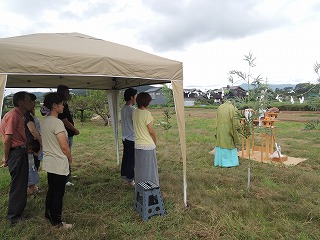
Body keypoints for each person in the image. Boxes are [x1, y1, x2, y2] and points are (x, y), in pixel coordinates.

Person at [41, 92, 73, 229]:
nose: (63, 106)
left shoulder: (44, 121)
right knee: (58, 194)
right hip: (58, 162)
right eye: (61, 104)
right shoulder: (57, 122)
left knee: (52, 190)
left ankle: (48, 216)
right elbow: (64, 145)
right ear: (55, 105)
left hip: (49, 162)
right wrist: (70, 158)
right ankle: (57, 223)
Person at [1, 91, 32, 226]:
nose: (31, 103)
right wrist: (6, 158)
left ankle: (16, 213)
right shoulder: (13, 115)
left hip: (19, 152)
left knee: (20, 184)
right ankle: (14, 218)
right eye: (28, 100)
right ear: (21, 103)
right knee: (18, 185)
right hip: (16, 153)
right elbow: (8, 139)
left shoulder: (20, 115)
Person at [132, 92, 159, 185]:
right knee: (150, 170)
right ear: (146, 102)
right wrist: (155, 141)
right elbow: (151, 131)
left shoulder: (134, 112)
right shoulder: (147, 114)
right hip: (147, 145)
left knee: (140, 170)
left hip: (137, 145)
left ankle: (140, 188)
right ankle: (151, 190)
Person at [57, 85, 80, 186]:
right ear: (62, 93)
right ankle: (65, 178)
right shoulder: (60, 105)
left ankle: (68, 174)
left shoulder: (64, 104)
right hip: (64, 134)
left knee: (67, 154)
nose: (69, 94)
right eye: (67, 92)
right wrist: (75, 129)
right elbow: (64, 120)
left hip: (68, 134)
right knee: (65, 155)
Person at [214, 100, 240, 167]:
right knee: (229, 144)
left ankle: (219, 162)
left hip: (220, 130)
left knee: (221, 143)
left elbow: (216, 120)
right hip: (228, 130)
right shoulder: (233, 108)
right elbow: (236, 123)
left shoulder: (220, 107)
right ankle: (229, 162)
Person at [25, 93, 41, 195]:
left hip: (34, 145)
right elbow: (32, 130)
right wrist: (41, 141)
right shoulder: (27, 116)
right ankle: (31, 188)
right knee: (32, 165)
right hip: (31, 145)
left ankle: (33, 186)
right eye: (30, 101)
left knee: (34, 165)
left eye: (34, 101)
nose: (33, 103)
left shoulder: (30, 114)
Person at [120, 88, 137, 186]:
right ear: (132, 97)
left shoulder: (123, 108)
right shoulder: (132, 109)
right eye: (136, 96)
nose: (136, 98)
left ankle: (125, 177)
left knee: (126, 158)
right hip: (131, 138)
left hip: (125, 137)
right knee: (131, 160)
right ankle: (130, 179)